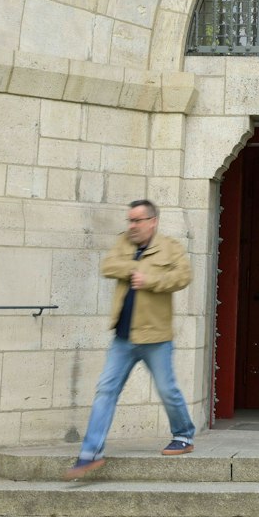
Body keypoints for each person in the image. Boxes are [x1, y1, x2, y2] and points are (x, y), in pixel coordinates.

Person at [64, 199, 195, 477]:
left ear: (152, 221)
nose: (132, 226)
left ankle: (183, 435)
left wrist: (150, 279)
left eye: (137, 221)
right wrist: (135, 270)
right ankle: (91, 452)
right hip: (123, 337)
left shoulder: (170, 247)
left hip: (155, 336)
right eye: (130, 221)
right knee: (105, 390)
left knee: (167, 389)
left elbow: (183, 277)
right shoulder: (123, 243)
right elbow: (109, 266)